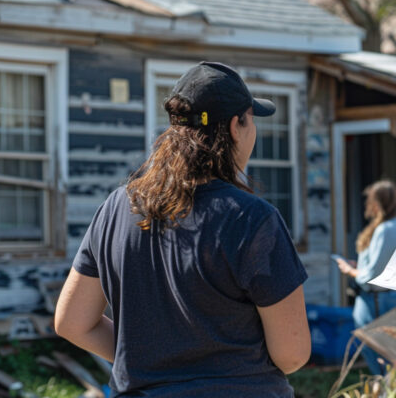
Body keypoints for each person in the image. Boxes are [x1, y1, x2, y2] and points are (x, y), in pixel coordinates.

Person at [54, 61, 311, 397]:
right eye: (252, 120)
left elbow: (72, 322)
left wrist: (149, 362)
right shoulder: (252, 219)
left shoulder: (117, 208)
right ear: (237, 125)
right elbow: (291, 354)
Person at [335, 180, 396, 375]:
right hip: (393, 298)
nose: (367, 205)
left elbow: (372, 275)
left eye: (369, 200)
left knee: (382, 359)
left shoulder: (385, 229)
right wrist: (359, 266)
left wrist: (349, 270)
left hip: (377, 302)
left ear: (376, 203)